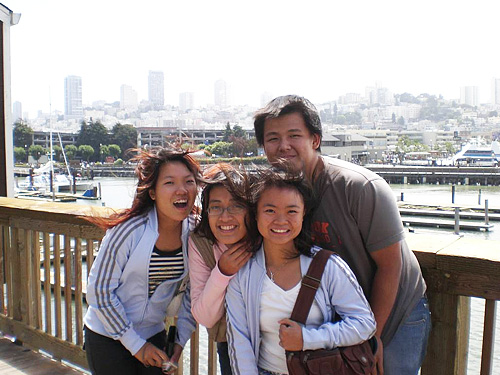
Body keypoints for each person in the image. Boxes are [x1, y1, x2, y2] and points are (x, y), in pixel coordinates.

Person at [253, 95, 431, 375]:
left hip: (396, 310)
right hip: (339, 319)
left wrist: (371, 339)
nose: (283, 146)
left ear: (315, 140)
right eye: (272, 138)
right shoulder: (275, 194)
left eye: (294, 135)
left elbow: (390, 264)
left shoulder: (360, 188)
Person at [225, 169, 376, 375]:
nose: (280, 220)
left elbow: (365, 324)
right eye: (270, 210)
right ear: (255, 214)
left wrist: (308, 339)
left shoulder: (328, 266)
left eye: (291, 211)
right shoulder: (243, 275)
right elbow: (239, 343)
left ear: (304, 214)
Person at [84, 146, 200, 375]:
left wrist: (178, 343)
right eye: (169, 183)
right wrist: (136, 346)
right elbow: (99, 291)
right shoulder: (128, 231)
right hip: (107, 335)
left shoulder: (196, 233)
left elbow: (193, 295)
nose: (182, 190)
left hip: (153, 333)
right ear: (153, 192)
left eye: (189, 181)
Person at [188, 163, 258, 375]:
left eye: (236, 206)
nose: (225, 216)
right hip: (230, 344)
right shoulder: (201, 243)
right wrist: (222, 272)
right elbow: (205, 317)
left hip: (275, 341)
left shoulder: (266, 237)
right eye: (216, 207)